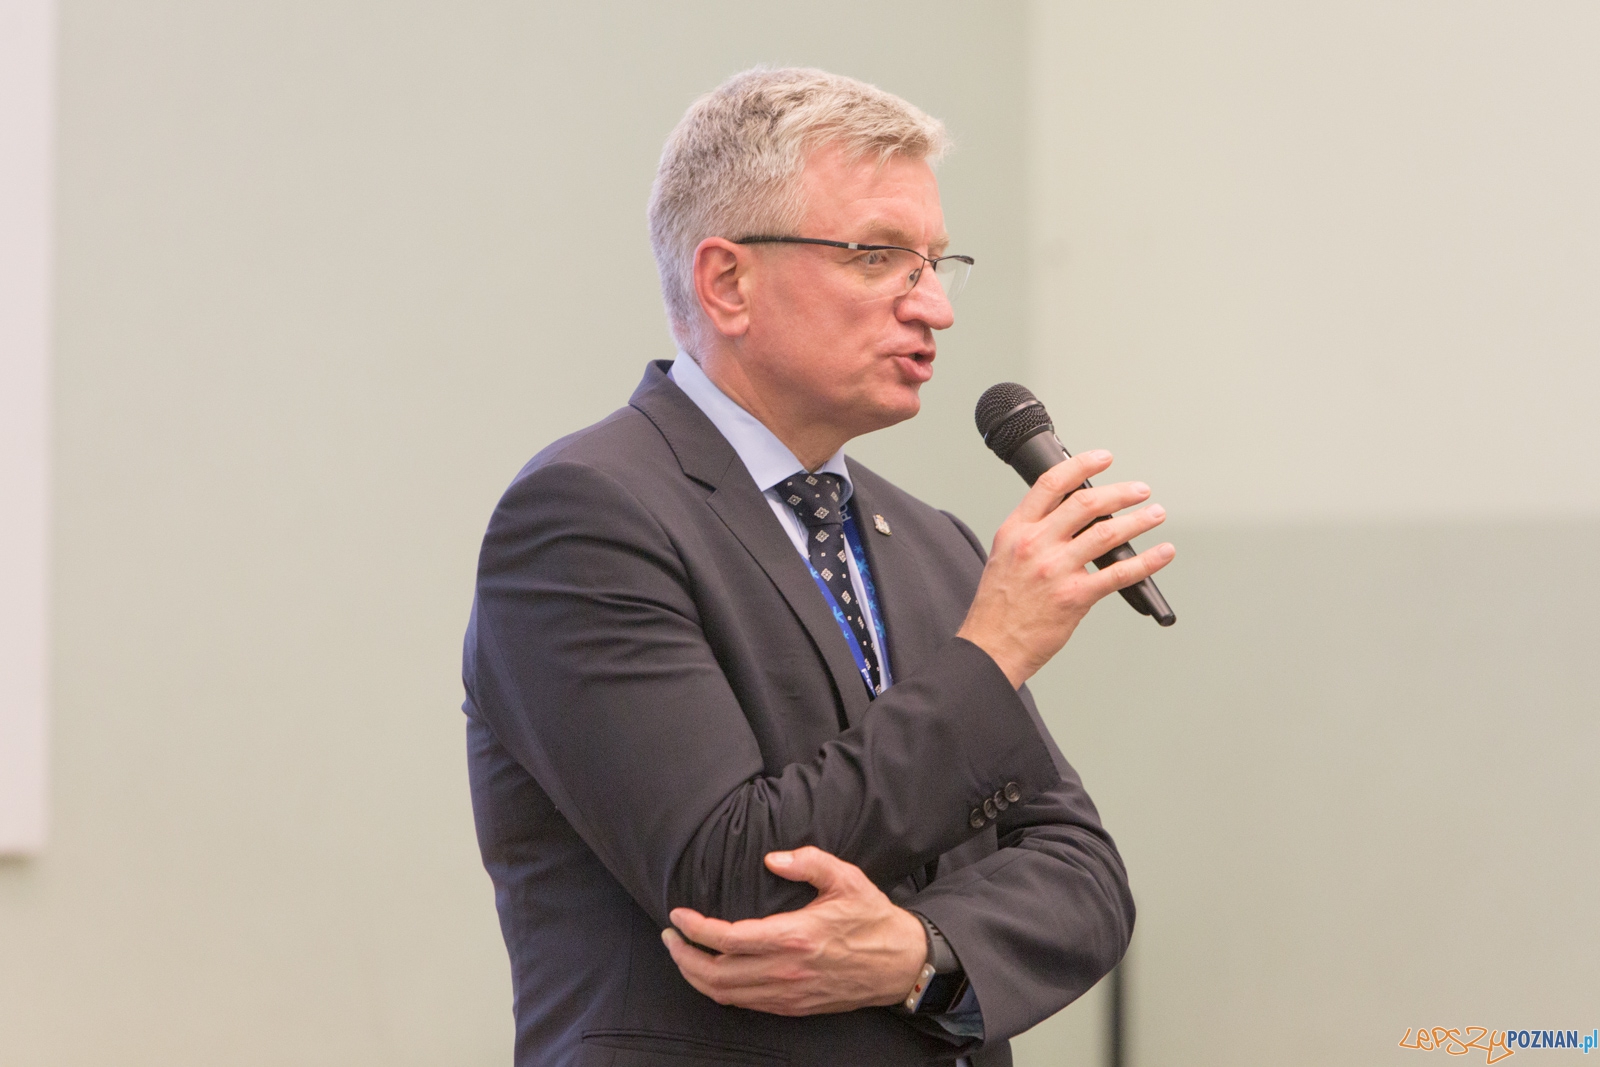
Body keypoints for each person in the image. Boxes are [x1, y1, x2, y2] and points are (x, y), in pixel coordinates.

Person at [463, 67, 1174, 1067]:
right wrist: (995, 649)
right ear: (728, 281)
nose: (934, 308)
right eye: (878, 256)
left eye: (935, 262)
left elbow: (1083, 875)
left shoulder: (928, 540)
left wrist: (920, 955)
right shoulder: (587, 515)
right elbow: (728, 877)